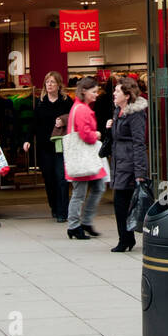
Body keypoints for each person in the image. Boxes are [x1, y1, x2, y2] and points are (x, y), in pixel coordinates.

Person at [108, 77, 149, 252]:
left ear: (126, 94)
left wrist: (139, 172)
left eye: (117, 91)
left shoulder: (136, 114)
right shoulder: (119, 111)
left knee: (122, 202)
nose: (114, 94)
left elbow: (139, 142)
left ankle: (125, 239)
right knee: (121, 203)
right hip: (119, 162)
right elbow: (116, 138)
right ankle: (126, 238)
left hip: (130, 164)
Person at [26, 71, 72, 223]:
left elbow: (74, 119)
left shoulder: (66, 101)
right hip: (45, 147)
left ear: (59, 84)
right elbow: (33, 123)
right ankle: (54, 206)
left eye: (52, 82)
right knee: (49, 178)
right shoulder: (41, 103)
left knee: (61, 178)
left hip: (61, 146)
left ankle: (62, 211)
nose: (50, 85)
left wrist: (63, 121)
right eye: (47, 82)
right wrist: (27, 140)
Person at [65, 76, 108, 239]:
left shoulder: (79, 107)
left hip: (83, 158)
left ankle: (82, 223)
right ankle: (75, 225)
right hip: (84, 158)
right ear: (84, 91)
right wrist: (96, 134)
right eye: (94, 92)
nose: (96, 95)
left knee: (93, 189)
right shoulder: (82, 109)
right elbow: (85, 135)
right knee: (82, 192)